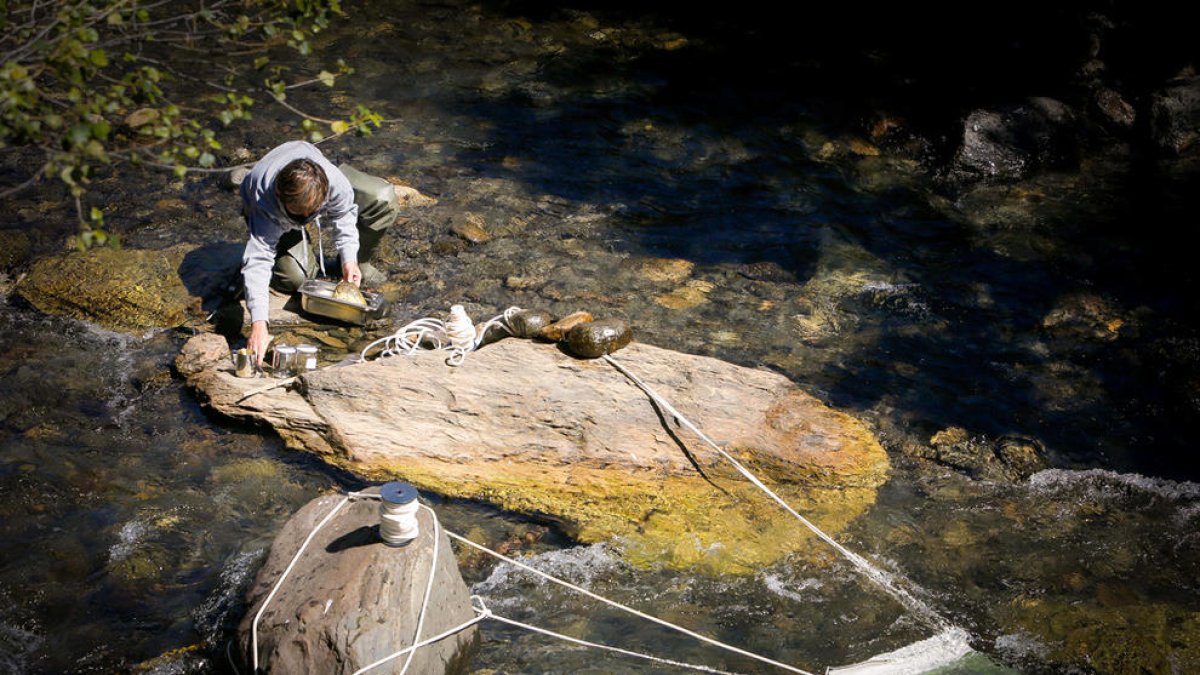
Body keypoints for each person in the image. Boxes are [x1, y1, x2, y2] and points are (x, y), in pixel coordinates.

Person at [240, 140, 399, 365]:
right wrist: (259, 324)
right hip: (260, 199)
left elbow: (344, 216)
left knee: (382, 198)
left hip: (311, 169)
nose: (305, 218)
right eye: (298, 215)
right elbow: (258, 261)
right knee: (296, 278)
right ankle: (302, 259)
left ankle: (355, 268)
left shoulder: (334, 183)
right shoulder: (264, 200)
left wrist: (350, 259)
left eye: (311, 214)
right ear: (280, 196)